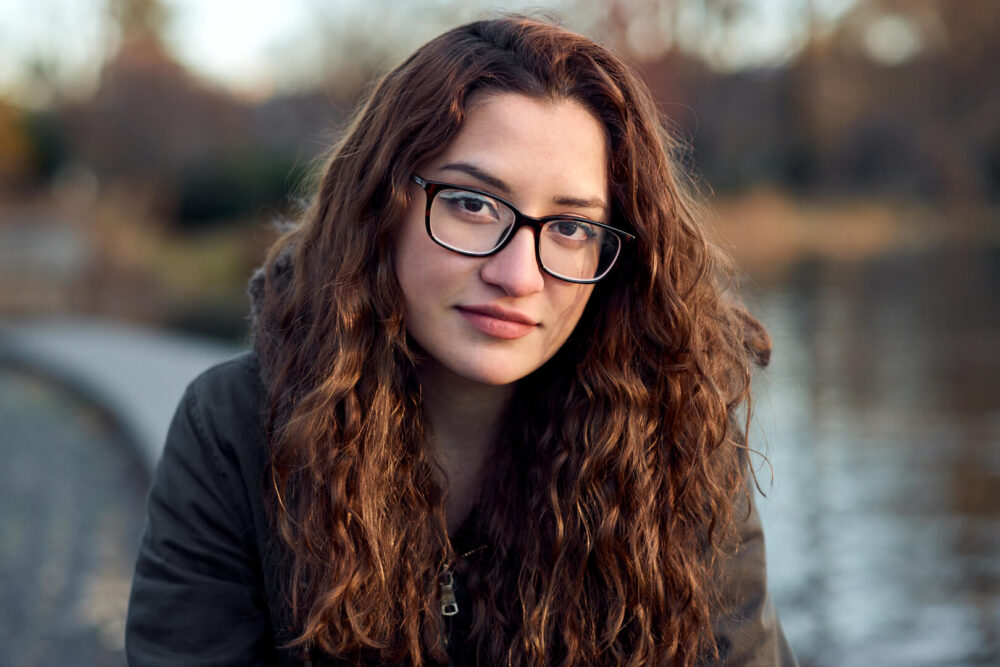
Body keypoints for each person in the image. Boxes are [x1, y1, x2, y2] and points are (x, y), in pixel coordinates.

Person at [126, 15, 797, 667]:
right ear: (381, 206)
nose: (517, 275)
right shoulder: (238, 432)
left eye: (570, 227)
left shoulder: (678, 440)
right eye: (473, 205)